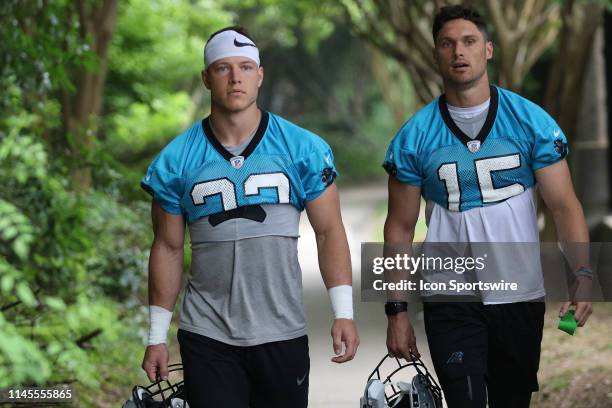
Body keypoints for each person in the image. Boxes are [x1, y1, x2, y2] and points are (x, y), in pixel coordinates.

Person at [382, 5, 592, 408]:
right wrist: (397, 311)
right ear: (435, 54)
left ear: (488, 49)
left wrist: (582, 274)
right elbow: (399, 228)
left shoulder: (531, 122)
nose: (458, 52)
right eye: (447, 43)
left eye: (469, 41)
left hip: (519, 292)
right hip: (450, 295)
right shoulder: (413, 138)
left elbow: (565, 207)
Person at [139, 26, 359, 408]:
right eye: (223, 68)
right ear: (206, 77)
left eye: (245, 67)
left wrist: (344, 313)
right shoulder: (176, 161)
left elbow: (329, 233)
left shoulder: (302, 148)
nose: (235, 77)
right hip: (206, 332)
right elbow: (168, 248)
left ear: (260, 75)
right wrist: (156, 337)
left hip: (281, 328)